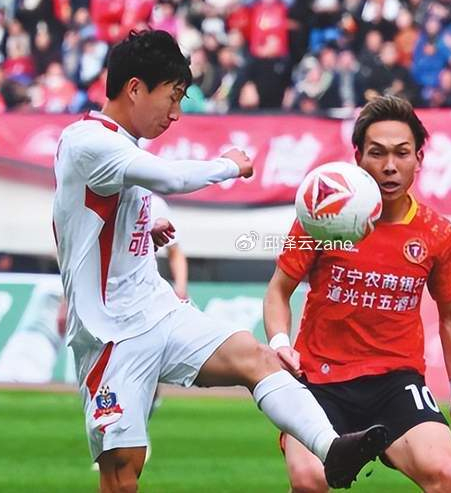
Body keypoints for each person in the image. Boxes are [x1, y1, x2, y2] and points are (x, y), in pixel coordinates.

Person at [51, 29, 388, 493]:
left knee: (257, 357)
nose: (176, 113)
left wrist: (146, 226)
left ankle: (333, 450)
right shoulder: (87, 142)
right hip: (110, 334)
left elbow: (116, 204)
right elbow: (168, 178)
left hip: (158, 311)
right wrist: (229, 164)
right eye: (172, 97)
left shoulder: (122, 146)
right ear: (135, 88)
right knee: (123, 473)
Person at [264, 95, 451, 493]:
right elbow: (278, 291)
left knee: (446, 474)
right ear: (358, 158)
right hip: (319, 380)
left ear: (418, 158)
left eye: (401, 153)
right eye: (377, 153)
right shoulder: (323, 217)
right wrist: (280, 343)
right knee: (309, 479)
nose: (389, 166)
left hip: (395, 382)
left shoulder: (436, 232)